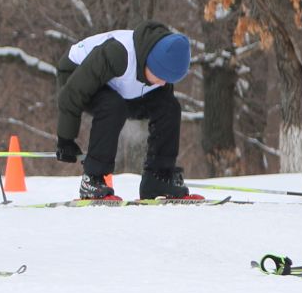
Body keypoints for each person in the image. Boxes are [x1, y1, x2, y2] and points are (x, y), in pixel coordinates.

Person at [52, 24, 195, 201]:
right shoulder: (118, 54)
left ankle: (157, 178)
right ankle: (92, 179)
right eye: (160, 77)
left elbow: (162, 99)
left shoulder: (160, 68)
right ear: (150, 63)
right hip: (75, 75)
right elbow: (71, 93)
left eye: (168, 79)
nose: (163, 83)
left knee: (169, 106)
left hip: (119, 86)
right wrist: (65, 139)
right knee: (112, 106)